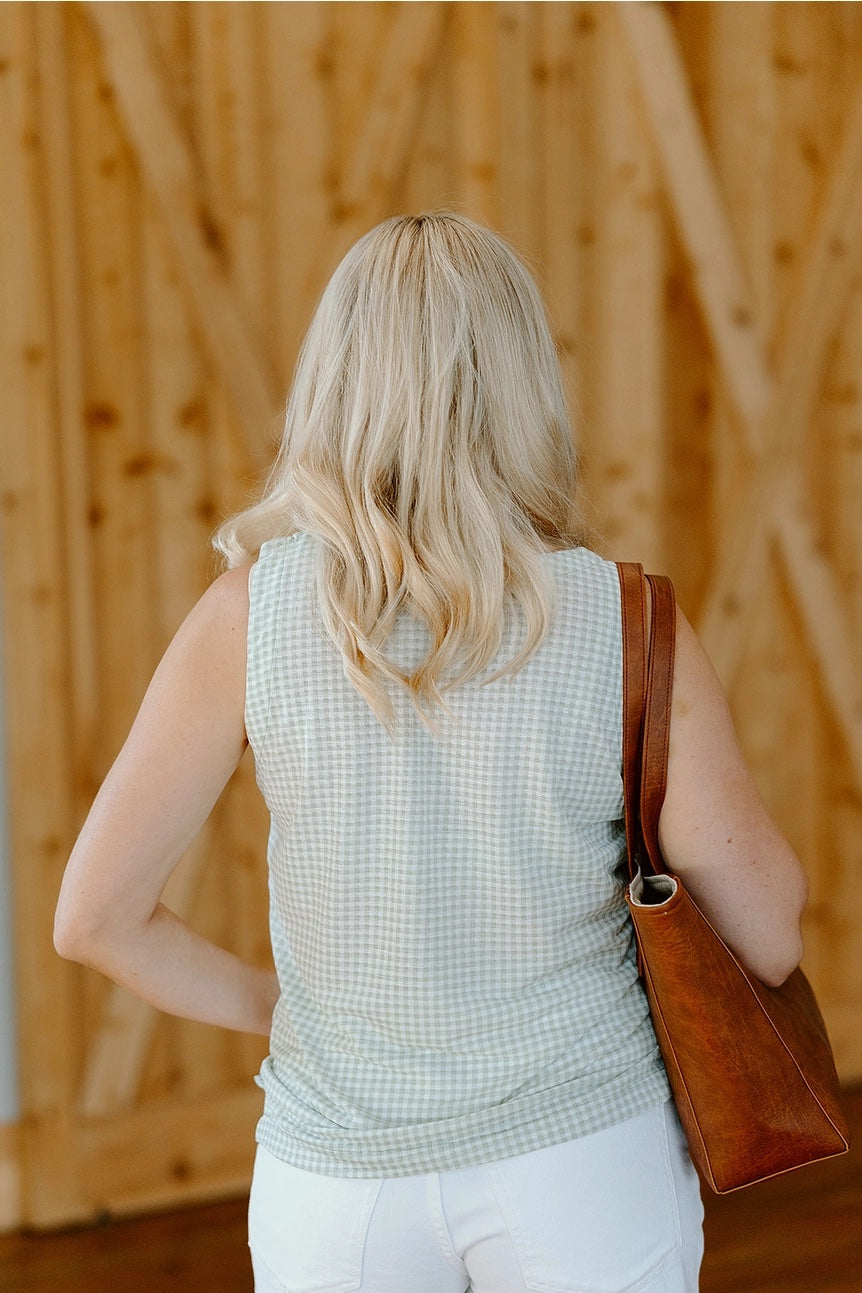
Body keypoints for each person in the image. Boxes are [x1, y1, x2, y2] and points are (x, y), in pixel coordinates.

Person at [54, 212, 809, 1292]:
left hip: (335, 1184)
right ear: (521, 385)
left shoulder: (245, 620)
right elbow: (768, 934)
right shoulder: (623, 621)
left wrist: (284, 1014)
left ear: (336, 382)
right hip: (581, 1160)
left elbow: (93, 919)